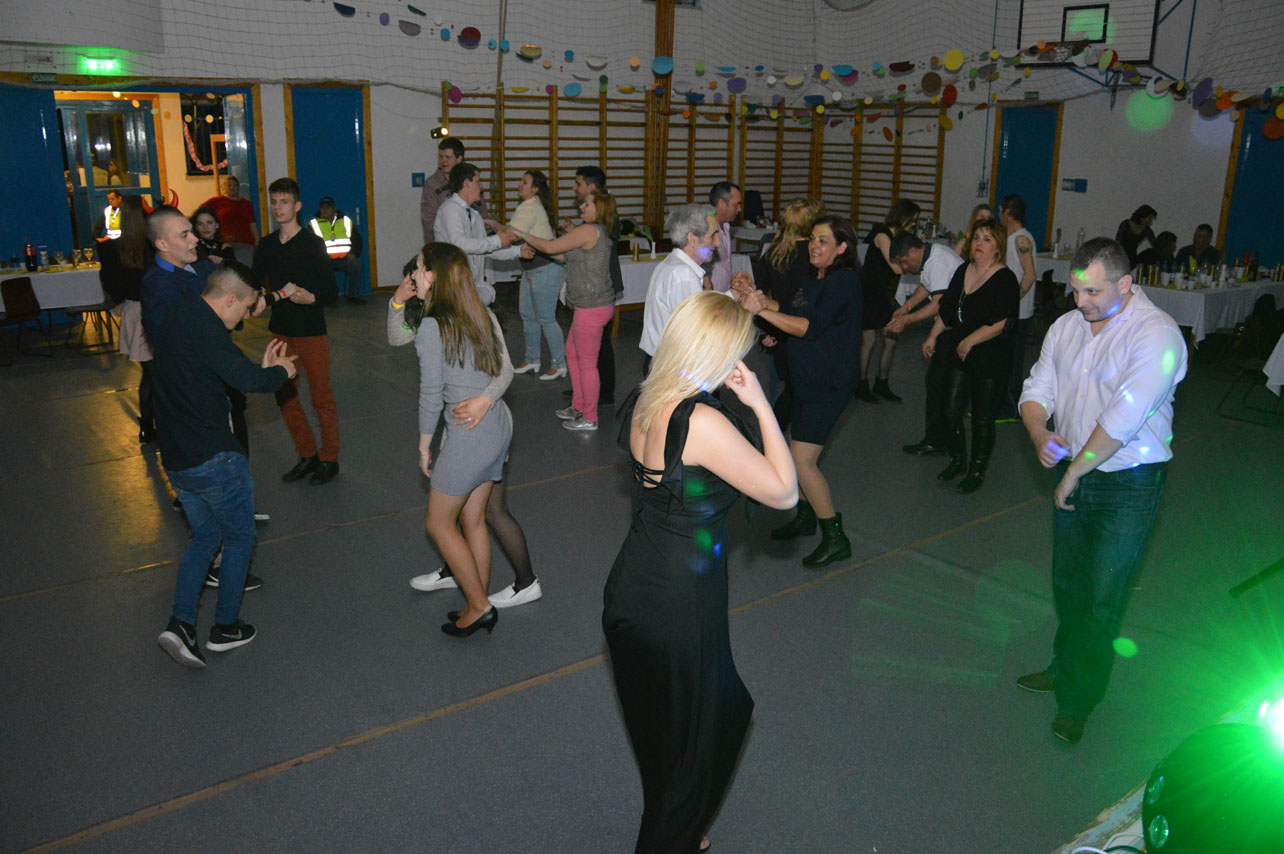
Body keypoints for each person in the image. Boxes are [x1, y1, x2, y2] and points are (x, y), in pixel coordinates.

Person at [604, 291, 797, 853]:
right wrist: (760, 403)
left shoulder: (647, 396)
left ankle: (682, 828)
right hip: (679, 604)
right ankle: (671, 834)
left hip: (632, 587)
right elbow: (784, 492)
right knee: (706, 732)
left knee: (661, 733)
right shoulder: (701, 421)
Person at [1017, 237, 1187, 744]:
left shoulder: (1157, 334)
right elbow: (1037, 388)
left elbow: (1124, 418)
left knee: (1103, 597)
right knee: (1070, 585)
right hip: (1076, 471)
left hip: (1129, 484)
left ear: (1126, 284)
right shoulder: (1066, 327)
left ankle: (1079, 699)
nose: (1081, 301)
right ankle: (1064, 666)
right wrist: (1039, 433)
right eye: (1075, 290)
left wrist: (1072, 472)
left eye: (1093, 291)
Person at [153, 265, 298, 668]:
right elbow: (249, 381)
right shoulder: (208, 330)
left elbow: (218, 373)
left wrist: (259, 371)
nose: (247, 316)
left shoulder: (180, 315)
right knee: (238, 539)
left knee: (205, 537)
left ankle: (181, 624)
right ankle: (225, 627)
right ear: (230, 298)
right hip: (213, 458)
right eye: (248, 307)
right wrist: (281, 372)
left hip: (178, 459)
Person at [389, 255, 542, 609]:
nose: (414, 277)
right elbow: (397, 337)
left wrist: (484, 401)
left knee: (483, 512)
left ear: (436, 276)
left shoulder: (470, 313)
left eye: (419, 270)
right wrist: (397, 301)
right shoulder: (431, 317)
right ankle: (462, 575)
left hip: (479, 424)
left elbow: (504, 370)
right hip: (472, 426)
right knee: (469, 513)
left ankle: (515, 583)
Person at [736, 215, 862, 567]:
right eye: (813, 239)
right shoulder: (813, 277)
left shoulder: (844, 282)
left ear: (842, 247)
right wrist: (755, 297)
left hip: (829, 384)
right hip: (806, 381)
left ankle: (835, 537)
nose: (814, 246)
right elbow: (789, 310)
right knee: (796, 454)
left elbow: (808, 327)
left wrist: (761, 311)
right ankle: (806, 517)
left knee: (802, 461)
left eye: (824, 241)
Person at [253, 177, 341, 485]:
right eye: (274, 202)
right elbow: (254, 282)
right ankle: (306, 454)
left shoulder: (313, 244)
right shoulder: (266, 246)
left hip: (311, 332)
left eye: (284, 202)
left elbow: (331, 292)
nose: (278, 208)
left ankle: (329, 458)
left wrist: (312, 298)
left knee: (321, 398)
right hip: (281, 332)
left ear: (297, 206)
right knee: (286, 397)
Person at [921, 218, 1020, 493]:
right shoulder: (963, 269)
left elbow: (1003, 322)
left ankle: (977, 469)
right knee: (951, 411)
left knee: (982, 418)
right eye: (976, 238)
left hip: (990, 357)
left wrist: (970, 341)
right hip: (960, 352)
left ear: (998, 247)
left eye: (987, 239)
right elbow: (947, 309)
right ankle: (958, 459)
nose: (979, 244)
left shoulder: (1005, 279)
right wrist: (933, 335)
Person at [510, 189, 618, 432]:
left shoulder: (589, 230)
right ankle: (579, 406)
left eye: (586, 204)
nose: (581, 207)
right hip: (592, 306)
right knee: (572, 354)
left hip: (591, 307)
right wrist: (539, 245)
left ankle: (589, 416)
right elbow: (563, 256)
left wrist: (521, 233)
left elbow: (551, 247)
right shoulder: (594, 232)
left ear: (599, 209)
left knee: (587, 363)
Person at [886, 232, 965, 455]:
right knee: (938, 384)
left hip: (953, 330)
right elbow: (926, 286)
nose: (903, 268)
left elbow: (939, 304)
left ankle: (938, 440)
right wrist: (906, 307)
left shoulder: (938, 262)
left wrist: (907, 321)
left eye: (904, 261)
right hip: (949, 327)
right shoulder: (932, 256)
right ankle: (939, 438)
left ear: (913, 251)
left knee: (939, 386)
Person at [756, 199, 825, 427]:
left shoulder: (774, 254)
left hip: (779, 329)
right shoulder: (817, 257)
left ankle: (776, 436)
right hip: (808, 331)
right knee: (799, 394)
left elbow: (760, 295)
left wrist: (764, 329)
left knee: (786, 388)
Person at [560, 166, 622, 406]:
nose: (574, 188)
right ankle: (587, 392)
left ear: (592, 187)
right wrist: (574, 234)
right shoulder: (593, 217)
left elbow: (598, 249)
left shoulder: (604, 215)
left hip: (599, 289)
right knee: (586, 348)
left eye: (579, 183)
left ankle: (601, 393)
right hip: (595, 288)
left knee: (598, 348)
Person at [99, 196, 155, 442]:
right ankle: (151, 424)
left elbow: (111, 286)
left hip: (133, 309)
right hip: (150, 310)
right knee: (155, 373)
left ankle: (148, 425)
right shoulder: (151, 247)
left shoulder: (113, 249)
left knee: (150, 373)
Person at [638, 203, 719, 374]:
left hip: (661, 361)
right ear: (692, 239)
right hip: (673, 367)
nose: (718, 242)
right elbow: (693, 331)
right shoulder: (683, 274)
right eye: (713, 235)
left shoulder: (671, 264)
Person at [858, 198, 920, 403]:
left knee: (891, 338)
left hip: (885, 294)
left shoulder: (899, 237)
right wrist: (921, 266)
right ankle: (861, 384)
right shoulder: (882, 235)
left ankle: (882, 383)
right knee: (869, 340)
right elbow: (895, 266)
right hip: (870, 292)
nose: (914, 224)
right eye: (912, 220)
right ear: (903, 217)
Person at [434, 162, 520, 307]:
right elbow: (460, 244)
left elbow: (485, 249)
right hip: (452, 287)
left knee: (487, 297)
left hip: (471, 286)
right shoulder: (450, 209)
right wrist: (497, 240)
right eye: (478, 181)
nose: (481, 186)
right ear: (467, 183)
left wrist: (519, 251)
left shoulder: (474, 214)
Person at [508, 170, 567, 380]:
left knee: (546, 318)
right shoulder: (529, 205)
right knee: (528, 316)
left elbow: (511, 235)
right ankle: (532, 360)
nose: (520, 185)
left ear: (534, 189)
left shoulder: (530, 206)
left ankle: (559, 364)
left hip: (546, 269)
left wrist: (490, 234)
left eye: (525, 182)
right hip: (532, 269)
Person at [998, 195, 1037, 420]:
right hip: (1013, 312)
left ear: (1008, 213)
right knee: (1005, 359)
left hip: (1018, 313)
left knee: (1013, 361)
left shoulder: (1021, 240)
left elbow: (1029, 275)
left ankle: (1012, 407)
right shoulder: (1013, 238)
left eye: (1001, 211)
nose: (999, 215)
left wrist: (1013, 302)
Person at [308, 196, 367, 304]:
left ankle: (353, 296)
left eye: (327, 207)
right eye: (322, 208)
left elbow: (357, 239)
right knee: (315, 270)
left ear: (334, 208)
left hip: (344, 258)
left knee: (356, 266)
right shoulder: (313, 224)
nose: (324, 210)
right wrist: (320, 257)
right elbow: (310, 244)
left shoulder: (345, 221)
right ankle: (327, 297)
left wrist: (354, 253)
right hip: (324, 260)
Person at [200, 175, 259, 266]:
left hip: (244, 243)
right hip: (223, 244)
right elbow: (201, 213)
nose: (232, 188)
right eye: (229, 185)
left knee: (242, 269)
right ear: (224, 187)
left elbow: (252, 224)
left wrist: (257, 241)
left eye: (235, 185)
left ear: (239, 187)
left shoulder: (246, 204)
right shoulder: (216, 201)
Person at [420, 138, 465, 244]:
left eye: (448, 157)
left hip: (467, 243)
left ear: (459, 159)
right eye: (441, 157)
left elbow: (481, 213)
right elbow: (429, 221)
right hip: (440, 245)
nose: (443, 161)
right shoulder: (431, 184)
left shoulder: (468, 181)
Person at [704, 181, 743, 294]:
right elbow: (700, 263)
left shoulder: (726, 226)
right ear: (722, 204)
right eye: (736, 204)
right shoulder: (706, 230)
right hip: (710, 297)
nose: (739, 209)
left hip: (723, 295)